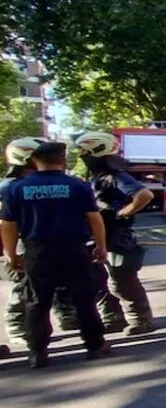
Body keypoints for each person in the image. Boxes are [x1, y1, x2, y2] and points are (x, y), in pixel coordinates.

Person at [0, 141, 110, 368]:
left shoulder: (17, 188)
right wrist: (101, 246)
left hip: (37, 251)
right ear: (62, 160)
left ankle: (38, 353)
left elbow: (7, 225)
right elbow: (95, 218)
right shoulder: (78, 186)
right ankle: (95, 345)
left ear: (34, 161)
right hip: (74, 249)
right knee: (83, 298)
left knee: (37, 303)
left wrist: (11, 255)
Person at [1, 137, 85, 341]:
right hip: (23, 243)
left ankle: (65, 315)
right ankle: (18, 326)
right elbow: (7, 223)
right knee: (25, 286)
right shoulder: (9, 187)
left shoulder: (39, 182)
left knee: (54, 283)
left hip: (47, 242)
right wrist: (10, 253)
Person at [74, 132, 156, 335]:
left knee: (122, 280)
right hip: (96, 236)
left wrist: (122, 213)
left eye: (84, 152)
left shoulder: (115, 177)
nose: (81, 156)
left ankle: (140, 319)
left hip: (117, 236)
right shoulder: (94, 178)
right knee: (98, 280)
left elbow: (144, 194)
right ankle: (112, 318)